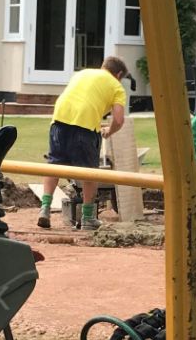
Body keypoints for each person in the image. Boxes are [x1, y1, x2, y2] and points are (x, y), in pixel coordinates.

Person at [38, 55, 131, 231]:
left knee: (54, 165)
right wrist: (109, 132)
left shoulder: (82, 73)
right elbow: (118, 120)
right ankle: (88, 217)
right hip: (85, 127)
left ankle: (45, 209)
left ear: (103, 67)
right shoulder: (116, 86)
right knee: (90, 173)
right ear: (118, 74)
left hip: (59, 120)